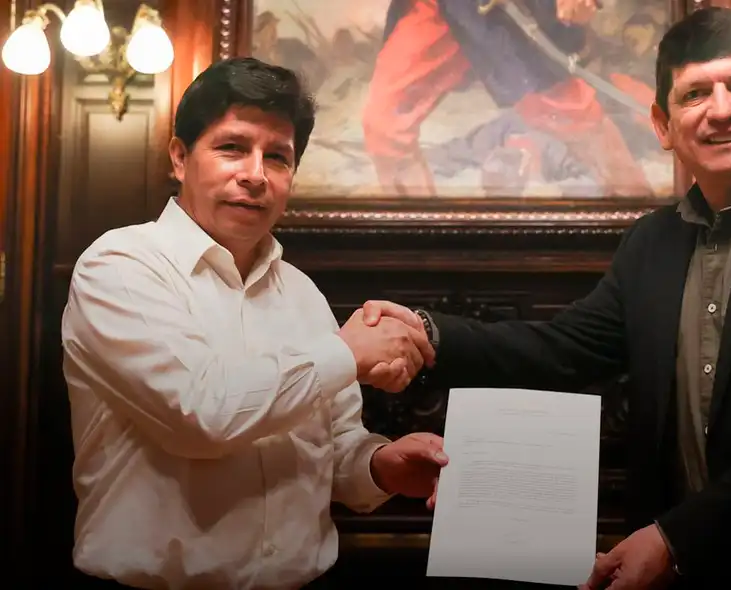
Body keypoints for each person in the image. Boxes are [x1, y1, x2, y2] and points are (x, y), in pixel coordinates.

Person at [361, 7, 731, 588]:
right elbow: (562, 349)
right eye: (695, 94)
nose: (721, 109)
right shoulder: (653, 241)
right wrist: (427, 334)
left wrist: (678, 539)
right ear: (663, 125)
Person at [61, 57, 446, 589]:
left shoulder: (303, 294)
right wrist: (348, 353)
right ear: (180, 157)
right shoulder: (119, 266)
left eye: (278, 157)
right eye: (232, 148)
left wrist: (382, 465)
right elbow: (203, 414)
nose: (256, 175)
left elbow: (332, 450)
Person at [361, 0, 652, 197]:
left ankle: (640, 223)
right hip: (441, 6)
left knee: (574, 116)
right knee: (384, 124)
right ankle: (420, 249)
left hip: (507, 12)